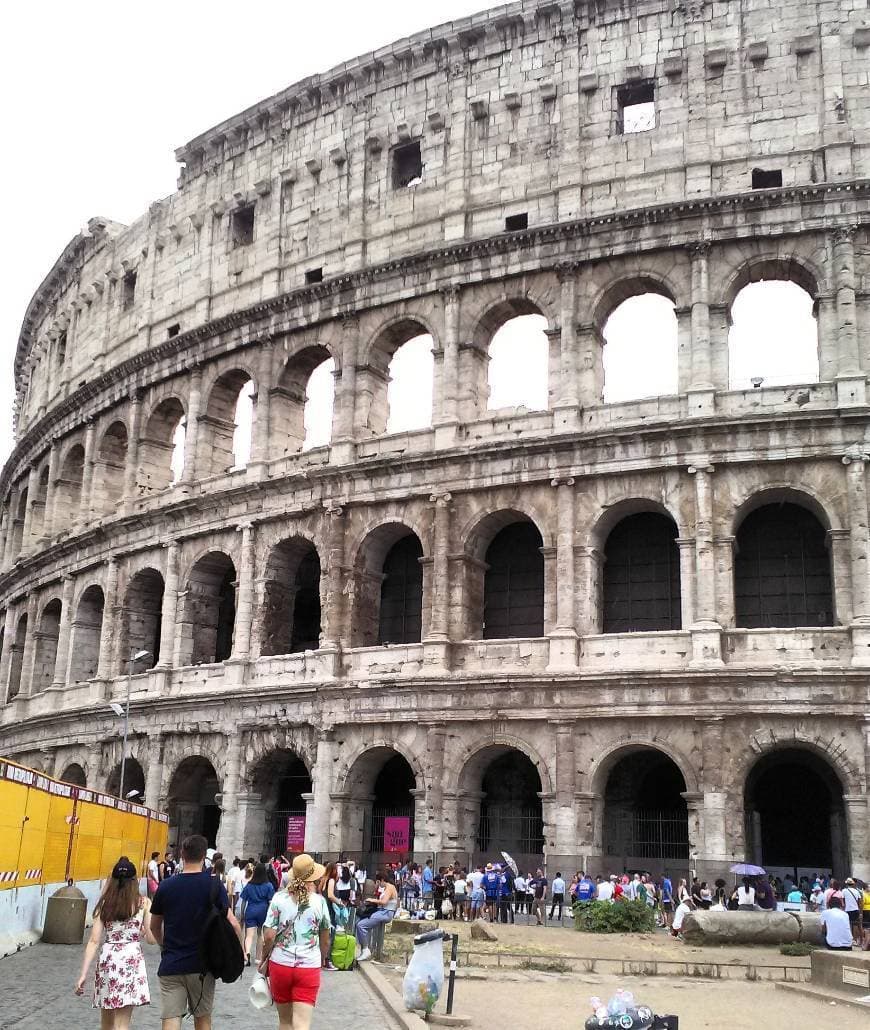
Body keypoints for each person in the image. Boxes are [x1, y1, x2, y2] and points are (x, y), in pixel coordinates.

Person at [149, 834, 243, 1030]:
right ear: (204, 857)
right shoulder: (214, 884)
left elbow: (154, 926)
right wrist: (238, 950)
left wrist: (164, 944)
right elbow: (233, 923)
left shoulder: (166, 886)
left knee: (171, 1018)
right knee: (202, 1019)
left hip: (171, 963)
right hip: (202, 964)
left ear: (182, 854)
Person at [75, 856, 152, 1026]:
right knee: (122, 1025)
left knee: (106, 1024)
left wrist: (83, 974)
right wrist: (144, 932)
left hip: (109, 961)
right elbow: (152, 939)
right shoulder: (144, 903)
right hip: (131, 960)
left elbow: (94, 941)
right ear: (135, 880)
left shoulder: (105, 904)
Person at [262, 853, 331, 1030]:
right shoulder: (320, 902)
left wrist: (264, 958)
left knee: (284, 1021)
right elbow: (325, 938)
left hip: (280, 964)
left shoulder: (279, 899)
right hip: (308, 965)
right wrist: (322, 957)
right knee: (302, 1023)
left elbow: (269, 935)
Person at [356, 871, 398, 961]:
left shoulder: (390, 887)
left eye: (378, 882)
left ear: (382, 880)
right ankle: (365, 948)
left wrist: (372, 900)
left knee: (361, 925)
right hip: (381, 912)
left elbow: (384, 902)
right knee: (360, 921)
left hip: (385, 913)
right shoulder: (387, 887)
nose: (378, 885)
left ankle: (365, 949)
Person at [241, 863, 276, 967]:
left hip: (251, 909)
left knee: (249, 935)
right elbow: (271, 901)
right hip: (263, 910)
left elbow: (243, 901)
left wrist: (242, 913)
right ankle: (258, 957)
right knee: (260, 934)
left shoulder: (249, 885)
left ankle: (247, 954)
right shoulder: (268, 885)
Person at [842, 878, 863, 944]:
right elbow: (860, 902)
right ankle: (856, 939)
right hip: (855, 909)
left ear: (847, 884)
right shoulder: (856, 891)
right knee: (856, 925)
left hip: (847, 910)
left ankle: (851, 939)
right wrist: (860, 912)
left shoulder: (844, 891)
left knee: (849, 925)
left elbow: (843, 901)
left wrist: (843, 908)